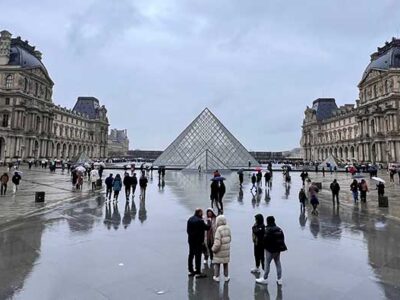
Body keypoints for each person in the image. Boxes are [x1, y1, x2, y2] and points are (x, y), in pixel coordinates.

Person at [256, 216, 287, 286]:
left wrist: (264, 247)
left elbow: (265, 240)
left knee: (267, 264)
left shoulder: (268, 230)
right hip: (277, 250)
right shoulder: (279, 229)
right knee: (278, 263)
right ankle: (279, 279)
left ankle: (265, 278)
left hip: (269, 250)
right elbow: (282, 239)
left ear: (268, 221)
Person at [187, 208, 211, 277]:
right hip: (198, 242)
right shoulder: (200, 221)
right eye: (202, 213)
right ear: (199, 213)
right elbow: (207, 228)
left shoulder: (190, 219)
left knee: (191, 255)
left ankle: (191, 270)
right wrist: (208, 221)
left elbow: (188, 231)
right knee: (198, 256)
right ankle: (198, 271)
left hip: (191, 241)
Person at [212, 215, 232, 282]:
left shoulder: (218, 229)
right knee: (225, 264)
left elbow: (217, 243)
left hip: (219, 251)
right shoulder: (228, 228)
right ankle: (226, 277)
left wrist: (213, 249)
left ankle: (216, 277)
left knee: (217, 264)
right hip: (226, 250)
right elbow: (230, 238)